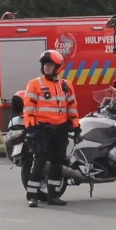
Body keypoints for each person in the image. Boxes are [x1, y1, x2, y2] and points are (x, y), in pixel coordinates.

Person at [23, 50, 79, 208]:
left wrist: (75, 126)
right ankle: (32, 196)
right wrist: (30, 127)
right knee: (39, 162)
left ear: (58, 67)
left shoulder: (66, 85)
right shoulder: (34, 83)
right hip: (42, 129)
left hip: (61, 129)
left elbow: (72, 107)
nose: (46, 67)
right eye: (44, 64)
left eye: (49, 64)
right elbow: (28, 108)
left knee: (57, 163)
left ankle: (53, 195)